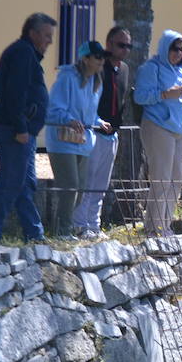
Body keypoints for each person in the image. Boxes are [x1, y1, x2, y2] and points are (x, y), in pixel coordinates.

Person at [0, 12, 56, 244]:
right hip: (16, 131)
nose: (50, 41)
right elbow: (15, 93)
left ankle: (34, 233)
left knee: (24, 184)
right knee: (12, 182)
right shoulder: (23, 53)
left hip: (21, 131)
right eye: (46, 35)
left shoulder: (21, 52)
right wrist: (21, 127)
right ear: (32, 33)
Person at [44, 41, 110, 237]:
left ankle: (63, 230)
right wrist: (69, 120)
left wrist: (99, 121)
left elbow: (88, 114)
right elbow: (53, 110)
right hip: (62, 141)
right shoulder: (66, 78)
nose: (101, 61)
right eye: (97, 57)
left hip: (82, 142)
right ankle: (61, 232)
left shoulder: (96, 81)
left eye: (103, 57)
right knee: (70, 186)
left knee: (80, 189)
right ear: (85, 58)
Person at [134, 29, 182, 237]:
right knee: (161, 177)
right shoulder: (150, 68)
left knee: (176, 179)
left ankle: (164, 225)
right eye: (174, 48)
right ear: (164, 47)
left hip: (179, 129)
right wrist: (164, 94)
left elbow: (180, 100)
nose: (178, 53)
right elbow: (140, 97)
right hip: (157, 126)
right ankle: (153, 228)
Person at [73, 26, 132, 237]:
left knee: (101, 185)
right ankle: (80, 225)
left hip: (112, 134)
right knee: (88, 182)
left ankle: (93, 225)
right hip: (93, 132)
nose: (125, 49)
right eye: (120, 44)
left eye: (128, 46)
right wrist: (94, 121)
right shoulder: (98, 67)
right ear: (108, 44)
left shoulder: (124, 69)